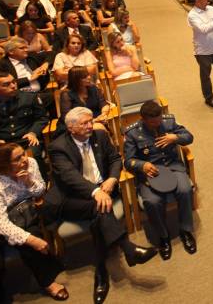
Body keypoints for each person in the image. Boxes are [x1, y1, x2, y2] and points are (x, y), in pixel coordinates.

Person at [44, 107, 157, 304]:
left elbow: (114, 159)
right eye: (85, 123)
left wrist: (112, 179)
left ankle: (101, 272)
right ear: (71, 128)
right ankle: (128, 248)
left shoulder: (100, 137)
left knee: (98, 216)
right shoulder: (58, 147)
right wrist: (96, 192)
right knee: (100, 206)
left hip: (102, 190)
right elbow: (69, 177)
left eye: (90, 121)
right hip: (72, 197)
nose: (90, 126)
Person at [0, 143, 68, 302]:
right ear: (6, 165)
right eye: (18, 158)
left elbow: (40, 191)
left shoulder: (31, 164)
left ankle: (47, 281)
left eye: (23, 154)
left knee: (32, 237)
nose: (25, 159)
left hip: (19, 215)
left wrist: (28, 182)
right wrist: (31, 240)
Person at [124, 101, 196, 261]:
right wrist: (143, 165)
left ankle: (185, 230)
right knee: (152, 201)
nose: (158, 124)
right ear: (143, 119)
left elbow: (189, 137)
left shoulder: (169, 122)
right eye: (153, 122)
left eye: (159, 120)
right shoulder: (132, 133)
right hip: (151, 172)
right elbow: (128, 161)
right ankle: (164, 237)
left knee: (185, 190)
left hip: (173, 166)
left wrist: (175, 137)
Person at [0, 72, 49, 166]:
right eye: (6, 85)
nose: (13, 86)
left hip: (26, 140)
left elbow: (42, 118)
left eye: (14, 82)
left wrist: (33, 132)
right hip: (1, 145)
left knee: (33, 157)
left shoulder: (29, 97)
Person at [60, 66, 111, 133]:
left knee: (99, 127)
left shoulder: (93, 88)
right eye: (84, 77)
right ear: (76, 80)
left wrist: (104, 114)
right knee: (99, 127)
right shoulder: (66, 95)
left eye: (88, 75)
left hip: (97, 121)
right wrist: (94, 121)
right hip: (78, 126)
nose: (89, 78)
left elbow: (103, 104)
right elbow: (67, 118)